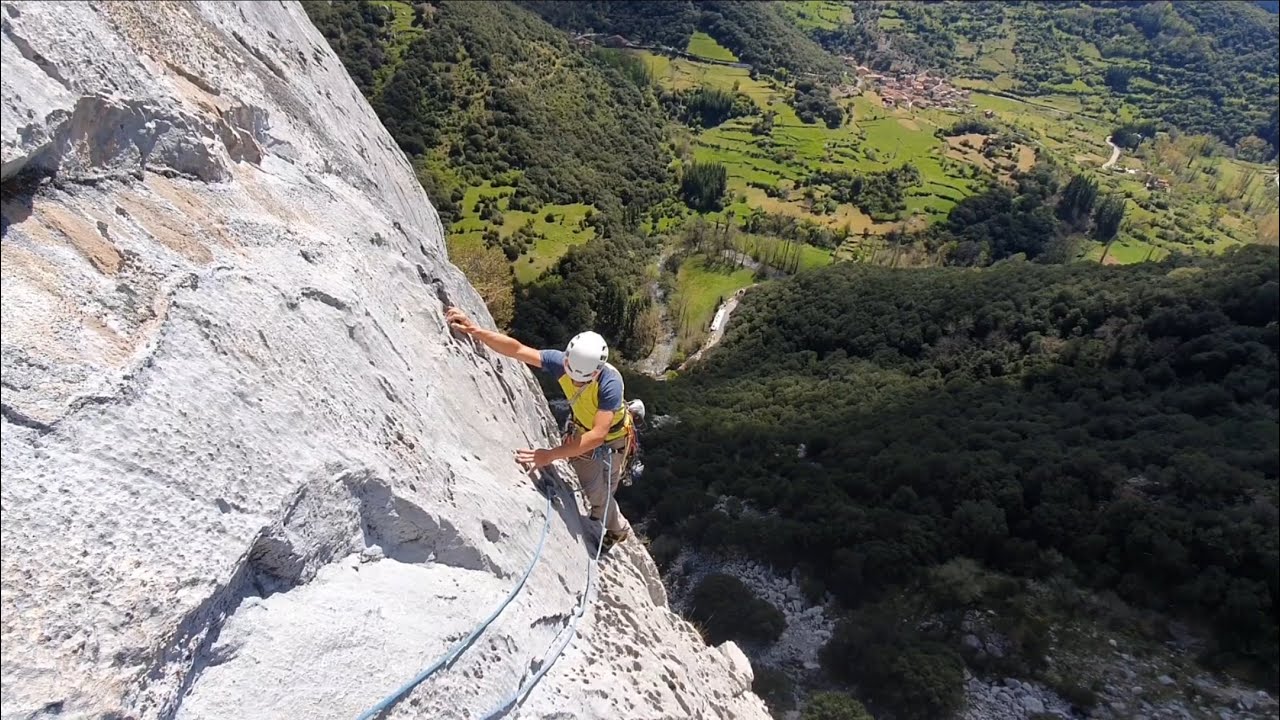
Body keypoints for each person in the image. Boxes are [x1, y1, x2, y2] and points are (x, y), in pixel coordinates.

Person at [445, 307, 633, 550]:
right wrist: (476, 331)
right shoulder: (563, 364)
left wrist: (549, 455)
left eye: (581, 379)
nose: (574, 381)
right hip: (582, 430)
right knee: (588, 479)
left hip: (610, 441)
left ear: (596, 372)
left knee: (596, 490)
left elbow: (598, 435)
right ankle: (601, 511)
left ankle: (618, 529)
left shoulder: (610, 384)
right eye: (571, 374)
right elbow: (518, 350)